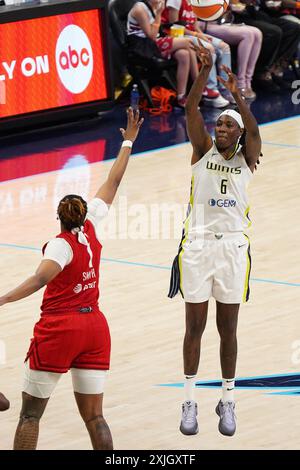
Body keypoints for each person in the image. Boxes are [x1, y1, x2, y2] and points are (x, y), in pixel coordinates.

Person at [0, 108, 143, 450]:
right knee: (95, 417)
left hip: (60, 330)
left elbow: (39, 280)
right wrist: (127, 140)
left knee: (30, 416)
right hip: (95, 328)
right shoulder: (91, 225)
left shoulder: (60, 247)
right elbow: (113, 181)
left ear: (60, 218)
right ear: (81, 214)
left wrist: (3, 299)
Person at [168, 43, 261, 436]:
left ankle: (228, 400)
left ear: (237, 135)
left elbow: (255, 131)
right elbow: (191, 110)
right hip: (198, 247)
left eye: (227, 127)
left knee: (229, 329)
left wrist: (240, 100)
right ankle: (189, 399)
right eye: (219, 125)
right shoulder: (202, 151)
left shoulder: (247, 158)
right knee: (194, 327)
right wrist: (204, 72)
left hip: (233, 248)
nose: (220, 130)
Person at [127, 0, 199, 107]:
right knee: (188, 42)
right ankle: (200, 86)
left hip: (155, 42)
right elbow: (151, 35)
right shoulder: (139, 9)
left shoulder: (155, 5)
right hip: (143, 46)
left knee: (184, 54)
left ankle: (181, 97)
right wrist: (159, 14)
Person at [161, 0, 232, 106]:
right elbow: (173, 26)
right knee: (208, 48)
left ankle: (225, 89)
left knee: (224, 47)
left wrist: (201, 34)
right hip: (179, 35)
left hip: (193, 34)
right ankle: (211, 91)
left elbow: (195, 25)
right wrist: (197, 35)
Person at [196, 1, 263, 99]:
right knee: (248, 35)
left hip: (222, 21)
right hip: (203, 23)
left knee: (257, 33)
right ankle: (240, 82)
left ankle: (248, 80)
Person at [235, 0, 300, 90]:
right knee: (273, 32)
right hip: (242, 15)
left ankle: (275, 69)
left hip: (259, 13)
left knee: (293, 28)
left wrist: (270, 4)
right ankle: (261, 72)